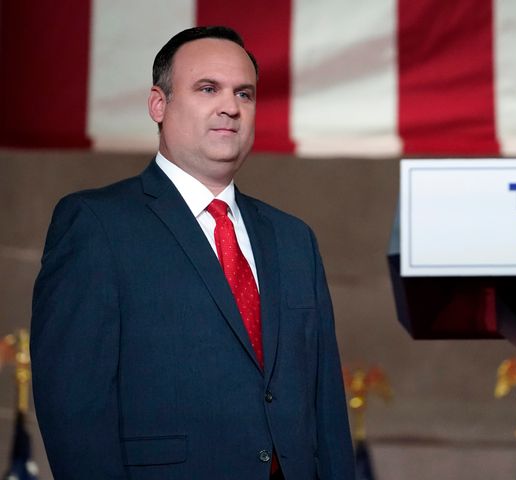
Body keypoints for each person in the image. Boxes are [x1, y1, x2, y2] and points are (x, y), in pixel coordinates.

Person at [30, 26, 354, 480]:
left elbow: (327, 409)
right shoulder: (97, 224)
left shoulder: (294, 239)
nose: (230, 107)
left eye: (245, 93)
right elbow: (73, 406)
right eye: (208, 89)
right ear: (158, 105)